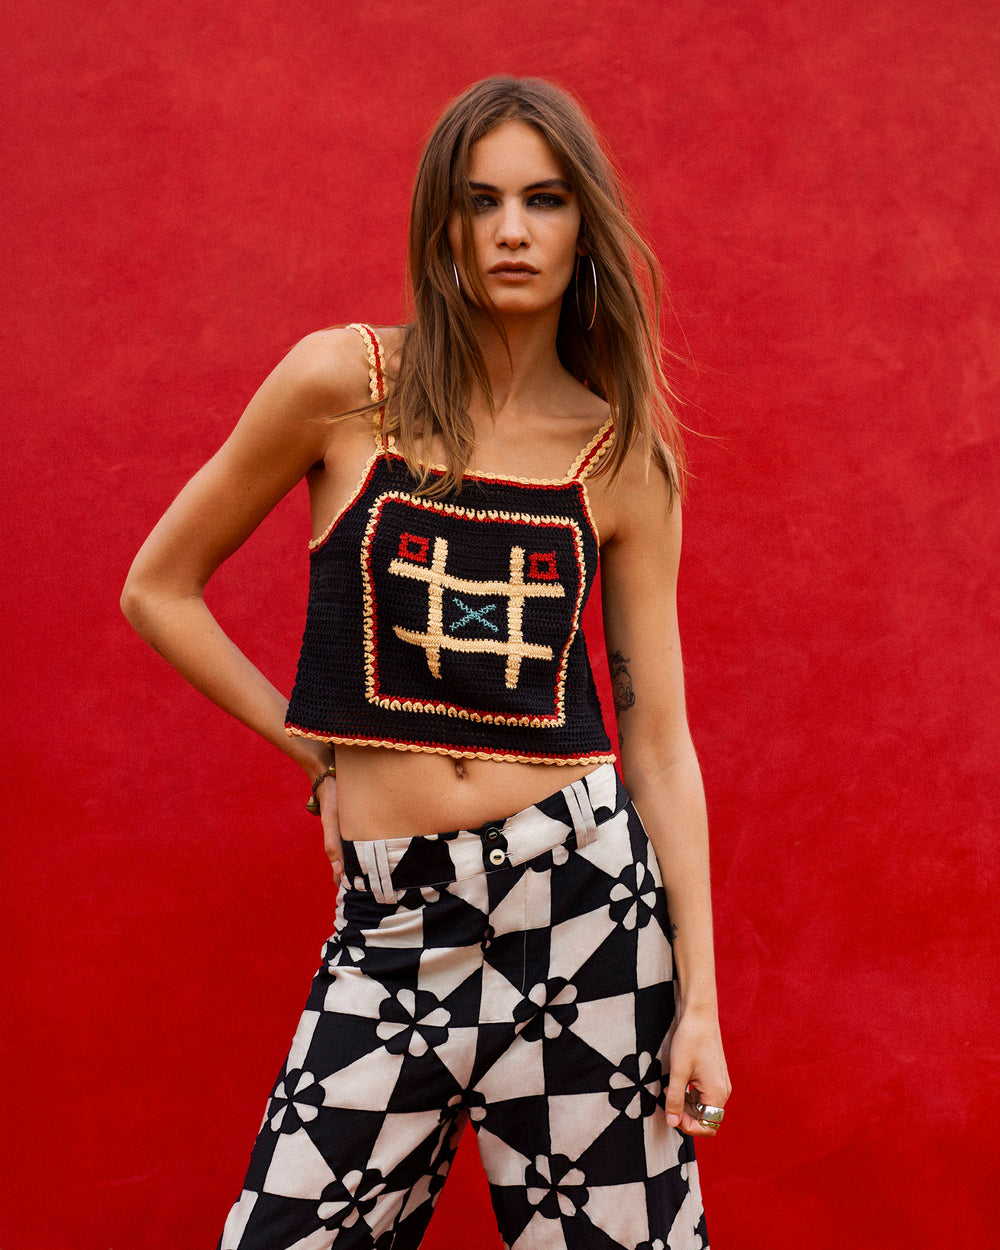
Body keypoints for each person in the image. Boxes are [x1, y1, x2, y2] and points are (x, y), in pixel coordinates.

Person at [121, 75, 730, 1250]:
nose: (510, 230)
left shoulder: (622, 457)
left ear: (581, 223)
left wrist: (698, 999)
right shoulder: (344, 387)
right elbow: (159, 587)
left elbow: (656, 739)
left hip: (584, 910)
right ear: (440, 225)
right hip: (394, 922)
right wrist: (319, 749)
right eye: (480, 199)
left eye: (543, 200)